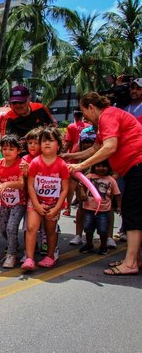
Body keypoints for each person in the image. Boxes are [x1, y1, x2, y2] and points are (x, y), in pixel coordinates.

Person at [67, 92, 142, 276]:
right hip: (133, 169)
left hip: (138, 166)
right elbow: (96, 148)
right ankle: (135, 259)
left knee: (133, 215)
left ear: (92, 107)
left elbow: (110, 147)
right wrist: (72, 156)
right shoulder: (104, 121)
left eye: (85, 113)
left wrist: (81, 165)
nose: (85, 118)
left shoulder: (108, 115)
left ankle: (130, 262)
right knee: (135, 214)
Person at [21, 127, 69, 271]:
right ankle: (29, 258)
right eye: (44, 140)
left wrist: (56, 208)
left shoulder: (62, 165)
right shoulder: (35, 162)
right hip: (36, 202)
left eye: (51, 140)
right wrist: (36, 204)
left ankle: (50, 256)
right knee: (31, 228)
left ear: (58, 145)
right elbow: (30, 185)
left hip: (53, 204)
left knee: (50, 231)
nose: (47, 143)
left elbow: (65, 189)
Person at [77, 160, 121, 256]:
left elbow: (117, 194)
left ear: (108, 168)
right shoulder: (89, 177)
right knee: (88, 228)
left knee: (103, 230)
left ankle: (103, 245)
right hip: (89, 208)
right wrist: (83, 193)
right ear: (94, 167)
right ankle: (89, 244)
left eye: (104, 166)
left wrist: (119, 206)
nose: (101, 168)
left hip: (104, 210)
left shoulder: (111, 180)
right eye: (98, 166)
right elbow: (81, 185)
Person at [0, 135, 26, 268]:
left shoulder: (20, 164)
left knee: (11, 227)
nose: (7, 152)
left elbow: (21, 184)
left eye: (11, 149)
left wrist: (6, 184)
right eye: (4, 148)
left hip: (19, 202)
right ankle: (14, 244)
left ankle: (11, 255)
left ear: (18, 151)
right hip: (5, 202)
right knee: (3, 229)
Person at [62, 110, 86, 216]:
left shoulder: (72, 126)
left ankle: (68, 208)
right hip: (86, 155)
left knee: (72, 182)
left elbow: (68, 142)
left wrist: (61, 154)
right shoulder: (88, 126)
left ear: (75, 116)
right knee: (83, 181)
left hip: (73, 155)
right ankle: (83, 207)